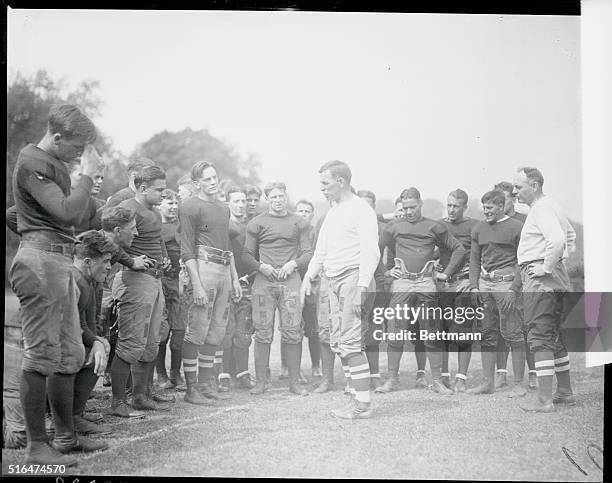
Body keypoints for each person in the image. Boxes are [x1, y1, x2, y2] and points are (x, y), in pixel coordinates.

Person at [8, 104, 104, 465]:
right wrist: (87, 177)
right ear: (58, 137)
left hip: (59, 260)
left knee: (68, 353)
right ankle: (36, 446)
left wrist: (89, 189)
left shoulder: (55, 166)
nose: (80, 155)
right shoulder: (31, 160)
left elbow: (76, 214)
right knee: (40, 355)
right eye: (76, 147)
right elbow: (66, 213)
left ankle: (64, 437)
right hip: (42, 263)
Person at [301, 160, 380, 419]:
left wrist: (361, 286)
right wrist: (308, 277)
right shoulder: (334, 211)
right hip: (332, 281)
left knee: (351, 343)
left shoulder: (361, 209)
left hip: (353, 279)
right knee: (339, 342)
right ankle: (355, 397)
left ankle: (363, 405)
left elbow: (371, 251)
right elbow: (321, 250)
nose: (321, 189)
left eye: (325, 183)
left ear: (341, 182)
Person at [378, 187, 465, 395]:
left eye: (413, 207)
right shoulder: (392, 227)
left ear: (420, 204)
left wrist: (446, 274)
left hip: (426, 283)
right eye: (405, 208)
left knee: (432, 332)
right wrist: (386, 274)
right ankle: (392, 379)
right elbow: (376, 250)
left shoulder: (434, 226)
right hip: (402, 283)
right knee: (395, 332)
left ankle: (436, 381)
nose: (409, 211)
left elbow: (458, 249)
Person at [110, 165, 175, 416]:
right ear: (143, 187)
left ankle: (141, 395)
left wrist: (166, 257)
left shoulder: (153, 212)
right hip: (136, 281)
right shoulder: (127, 207)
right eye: (158, 190)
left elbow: (157, 240)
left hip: (154, 280)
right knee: (131, 343)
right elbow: (108, 238)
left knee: (152, 341)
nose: (163, 194)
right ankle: (118, 403)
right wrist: (130, 261)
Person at [177, 161, 242, 405]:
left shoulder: (223, 208)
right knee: (197, 330)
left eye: (215, 177)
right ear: (196, 184)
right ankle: (191, 388)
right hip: (203, 267)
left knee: (216, 331)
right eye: (206, 179)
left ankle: (205, 383)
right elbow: (186, 248)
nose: (213, 182)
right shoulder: (190, 206)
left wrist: (234, 278)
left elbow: (227, 245)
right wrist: (197, 283)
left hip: (224, 268)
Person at [512, 167, 576, 412]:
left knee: (540, 337)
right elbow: (569, 235)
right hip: (556, 277)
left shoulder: (540, 208)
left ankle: (544, 400)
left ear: (535, 184)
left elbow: (559, 239)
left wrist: (546, 266)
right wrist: (560, 262)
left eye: (519, 187)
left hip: (541, 278)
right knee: (555, 336)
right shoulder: (552, 205)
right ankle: (564, 392)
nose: (515, 192)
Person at [244, 182, 313, 396]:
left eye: (281, 196)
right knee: (263, 333)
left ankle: (294, 382)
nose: (277, 200)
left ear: (286, 196)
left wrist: (293, 264)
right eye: (273, 197)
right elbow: (246, 254)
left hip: (290, 280)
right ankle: (261, 382)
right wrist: (261, 267)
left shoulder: (299, 222)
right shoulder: (257, 222)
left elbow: (308, 253)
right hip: (264, 282)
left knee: (292, 332)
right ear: (267, 198)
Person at [468, 190, 526, 397]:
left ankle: (519, 383)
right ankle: (487, 383)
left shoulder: (517, 227)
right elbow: (474, 260)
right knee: (487, 333)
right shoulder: (478, 228)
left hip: (506, 284)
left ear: (501, 206)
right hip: (485, 285)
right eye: (484, 208)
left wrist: (513, 289)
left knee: (513, 333)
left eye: (490, 208)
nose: (486, 211)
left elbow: (523, 261)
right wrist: (474, 286)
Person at [71, 231, 115, 438]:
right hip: (46, 349)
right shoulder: (74, 280)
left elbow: (86, 324)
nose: (109, 266)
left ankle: (74, 413)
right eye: (105, 261)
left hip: (65, 339)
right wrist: (95, 343)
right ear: (88, 261)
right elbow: (69, 326)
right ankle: (59, 416)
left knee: (98, 347)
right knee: (87, 351)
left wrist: (97, 340)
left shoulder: (87, 281)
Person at [493, 181, 535, 390]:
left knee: (523, 329)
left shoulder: (524, 221)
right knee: (501, 329)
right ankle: (501, 374)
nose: (500, 203)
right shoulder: (492, 222)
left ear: (512, 199)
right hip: (498, 284)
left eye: (504, 199)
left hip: (520, 282)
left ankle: (533, 373)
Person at [436, 189, 479, 392]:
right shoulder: (440, 225)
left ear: (464, 207)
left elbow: (480, 256)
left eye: (456, 206)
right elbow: (431, 250)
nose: (451, 210)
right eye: (449, 205)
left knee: (462, 331)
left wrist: (472, 280)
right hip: (443, 284)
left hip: (463, 283)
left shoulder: (474, 226)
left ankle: (461, 378)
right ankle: (444, 377)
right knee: (441, 330)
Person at [218, 185, 257, 392]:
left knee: (244, 330)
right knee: (226, 330)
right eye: (236, 201)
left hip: (248, 284)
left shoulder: (253, 226)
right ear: (228, 203)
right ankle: (223, 374)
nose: (241, 205)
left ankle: (242, 373)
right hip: (225, 283)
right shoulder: (222, 225)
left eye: (244, 201)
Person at [155, 189, 186, 390]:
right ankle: (161, 374)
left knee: (180, 330)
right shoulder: (155, 226)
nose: (174, 207)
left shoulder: (183, 226)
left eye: (176, 203)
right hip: (162, 280)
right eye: (169, 203)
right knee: (162, 331)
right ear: (160, 205)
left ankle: (177, 372)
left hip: (182, 281)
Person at [295, 199, 322, 378]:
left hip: (312, 283)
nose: (303, 214)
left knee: (313, 327)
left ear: (312, 215)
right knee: (292, 326)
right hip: (292, 280)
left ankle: (315, 365)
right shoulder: (289, 231)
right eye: (300, 211)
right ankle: (287, 366)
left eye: (307, 211)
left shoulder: (316, 233)